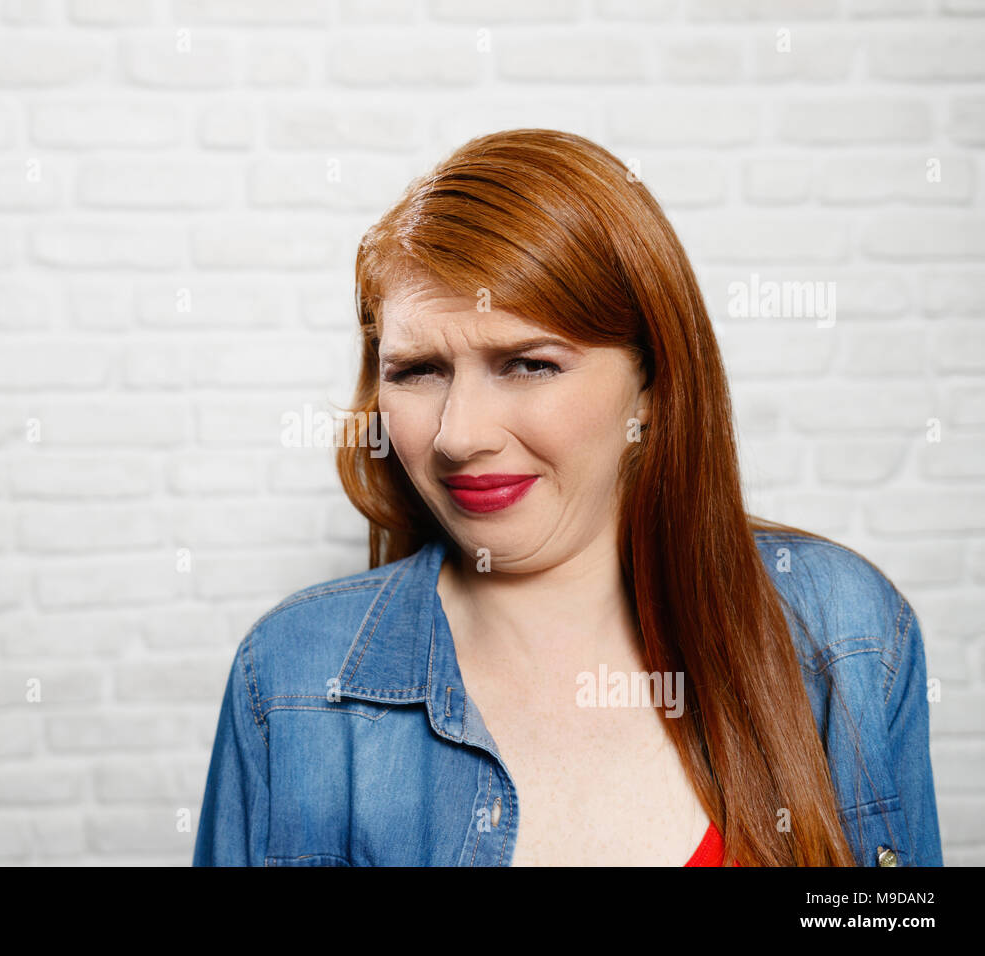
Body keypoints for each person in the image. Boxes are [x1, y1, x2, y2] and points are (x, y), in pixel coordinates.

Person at [192, 129, 942, 867]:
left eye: (528, 364)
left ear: (650, 384)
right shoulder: (291, 678)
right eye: (418, 370)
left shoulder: (846, 634)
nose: (460, 435)